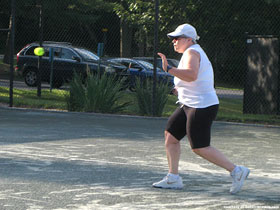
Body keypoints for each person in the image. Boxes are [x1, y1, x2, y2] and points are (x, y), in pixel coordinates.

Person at [153, 23, 250, 194]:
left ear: (189, 39)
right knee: (171, 136)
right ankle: (173, 178)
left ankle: (237, 171)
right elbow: (194, 79)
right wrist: (178, 89)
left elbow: (192, 74)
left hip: (202, 106)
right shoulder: (190, 52)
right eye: (173, 39)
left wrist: (169, 69)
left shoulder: (192, 52)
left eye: (177, 38)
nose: (173, 41)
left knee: (199, 146)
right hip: (189, 104)